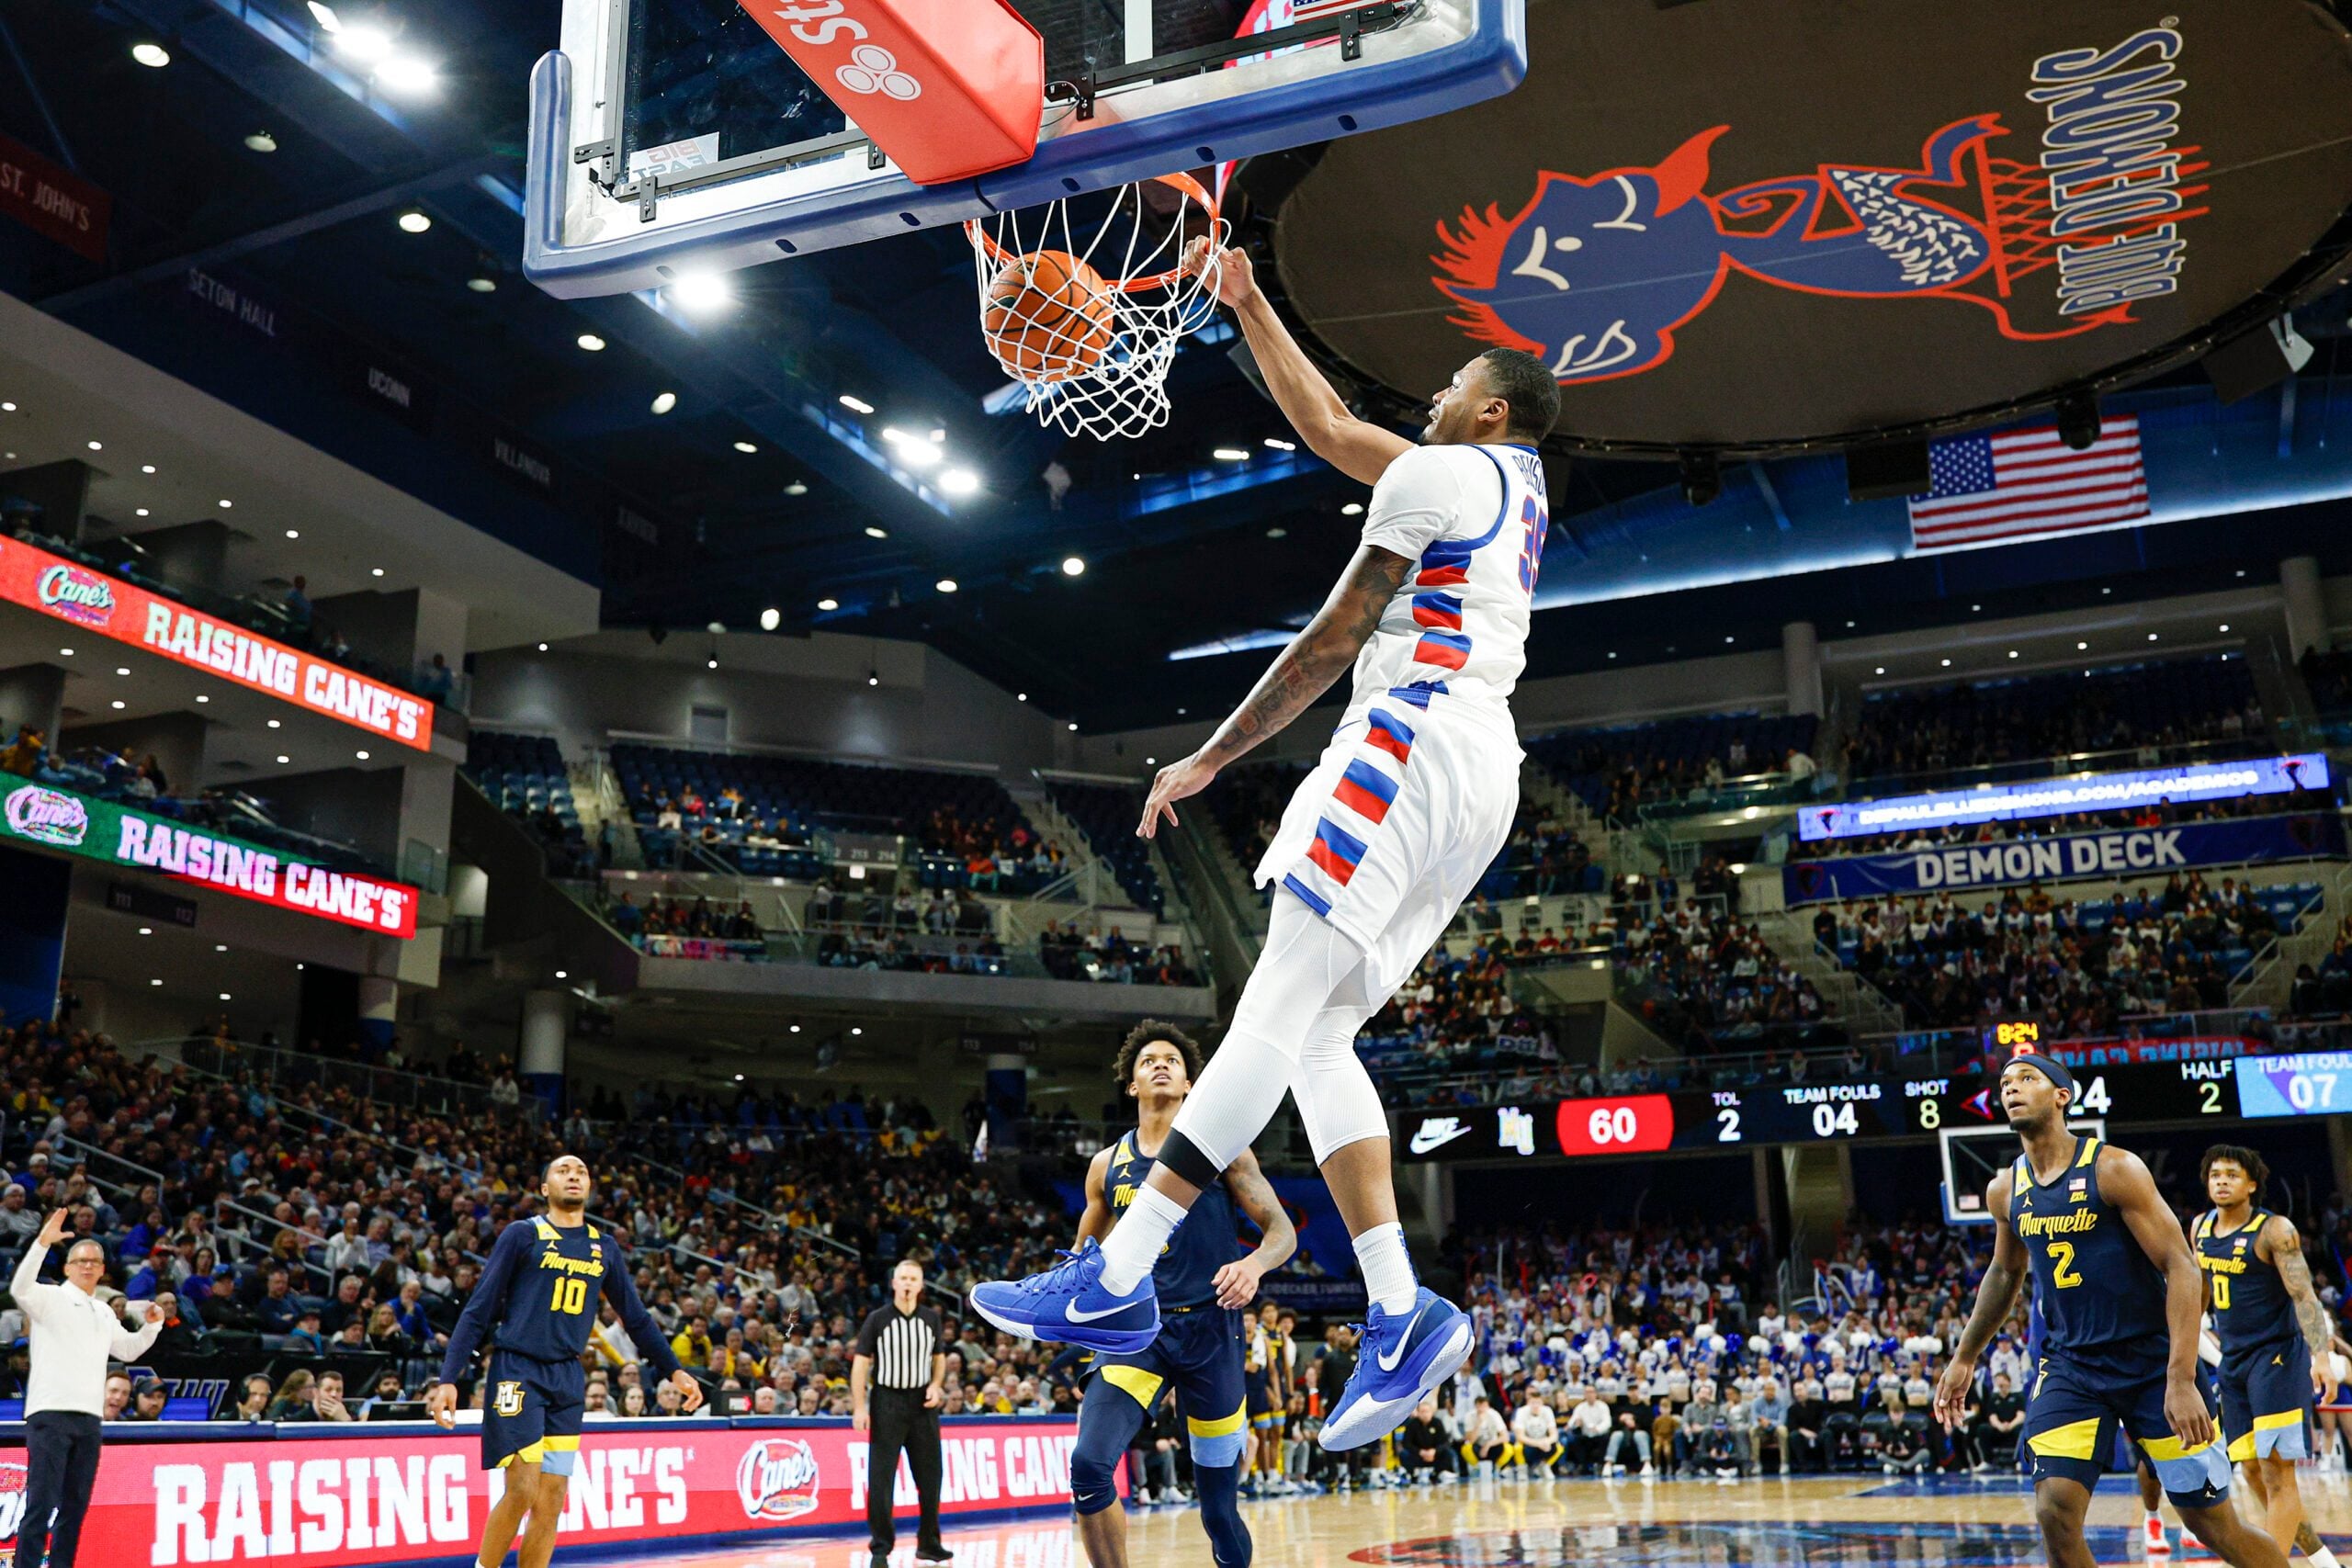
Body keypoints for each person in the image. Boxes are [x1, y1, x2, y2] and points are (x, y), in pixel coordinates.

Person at [971, 237, 1562, 1457]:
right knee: (1322, 1035)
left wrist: (1208, 759)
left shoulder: (1446, 478)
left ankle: (1115, 1270)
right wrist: (1243, 304)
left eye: (1453, 381)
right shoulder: (1504, 487)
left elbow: (1333, 637)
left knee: (1267, 1017)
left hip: (1405, 742)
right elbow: (1333, 422)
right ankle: (1399, 1308)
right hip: (1480, 774)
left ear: (1489, 405)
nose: (1434, 393)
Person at [1933, 1055, 2287, 1568]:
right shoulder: (2004, 1189)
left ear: (2062, 1096)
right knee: (2055, 1511)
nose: (2011, 1088)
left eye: (2027, 1078)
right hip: (2070, 1368)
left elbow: (2183, 1268)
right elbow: (2006, 1273)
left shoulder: (2114, 1168)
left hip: (2151, 1364)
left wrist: (2182, 1377)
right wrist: (1965, 1356)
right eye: (2006, 1082)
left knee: (2212, 1524)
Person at [1056, 1024, 1291, 1568]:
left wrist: (1254, 1264)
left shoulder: (1224, 1148)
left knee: (1218, 1511)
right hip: (1138, 1331)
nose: (1160, 1065)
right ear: (1132, 1085)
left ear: (1190, 1083)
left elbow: (1282, 1231)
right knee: (1089, 1465)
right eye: (1147, 1062)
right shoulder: (1105, 1166)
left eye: (1171, 1061)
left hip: (1213, 1331)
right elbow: (1081, 1262)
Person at [429, 1155, 701, 1568]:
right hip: (518, 1370)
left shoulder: (603, 1246)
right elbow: (479, 1308)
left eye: (582, 1172)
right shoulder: (523, 1235)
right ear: (544, 1188)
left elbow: (636, 1317)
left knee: (552, 1498)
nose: (574, 1176)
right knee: (521, 1487)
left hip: (567, 1376)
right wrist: (450, 1377)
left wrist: (675, 1370)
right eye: (563, 1171)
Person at [2194, 1144, 2343, 1568]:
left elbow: (2304, 1296)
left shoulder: (2274, 1230)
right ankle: (2320, 1559)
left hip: (2277, 1359)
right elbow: (2202, 1293)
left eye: (2231, 1174)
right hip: (2233, 1362)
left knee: (2278, 1472)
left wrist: (2321, 1357)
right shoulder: (2200, 1228)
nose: (2221, 1181)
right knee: (2253, 1474)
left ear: (2252, 1184)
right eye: (2215, 1174)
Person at [11, 1209, 164, 1568]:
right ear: (67, 1267)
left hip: (89, 1420)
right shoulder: (50, 1298)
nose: (87, 1266)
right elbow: (19, 1288)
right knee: (40, 1506)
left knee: (74, 1509)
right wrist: (42, 1243)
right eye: (80, 1260)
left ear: (101, 1269)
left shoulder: (104, 1311)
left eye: (94, 1261)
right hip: (50, 1415)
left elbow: (126, 1350)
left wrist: (151, 1328)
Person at [852, 1260, 951, 1567]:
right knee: (881, 1478)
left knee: (931, 1475)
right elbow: (860, 1363)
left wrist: (936, 1385)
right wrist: (859, 1405)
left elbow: (940, 1357)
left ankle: (929, 1543)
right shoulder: (877, 1319)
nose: (908, 1283)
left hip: (922, 1404)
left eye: (914, 1279)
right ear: (894, 1283)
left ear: (921, 1286)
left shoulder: (931, 1318)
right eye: (903, 1278)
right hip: (887, 1401)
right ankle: (880, 1547)